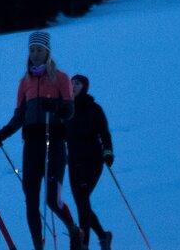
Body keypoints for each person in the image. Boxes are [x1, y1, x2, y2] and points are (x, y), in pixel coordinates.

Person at [0, 31, 80, 250]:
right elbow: (19, 116)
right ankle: (37, 246)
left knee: (52, 200)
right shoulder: (25, 82)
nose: (35, 54)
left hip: (55, 144)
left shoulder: (61, 78)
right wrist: (2, 134)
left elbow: (70, 111)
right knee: (31, 199)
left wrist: (57, 108)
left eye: (39, 50)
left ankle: (74, 230)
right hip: (31, 146)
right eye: (32, 50)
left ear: (47, 52)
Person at [67, 74, 116, 250]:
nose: (73, 86)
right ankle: (103, 237)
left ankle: (84, 243)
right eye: (71, 83)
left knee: (81, 199)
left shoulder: (94, 109)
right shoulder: (67, 108)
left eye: (77, 83)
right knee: (82, 202)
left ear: (84, 87)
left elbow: (104, 133)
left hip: (92, 160)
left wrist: (108, 152)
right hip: (73, 161)